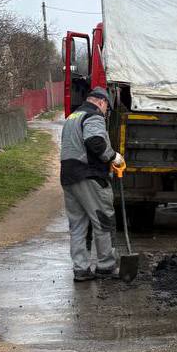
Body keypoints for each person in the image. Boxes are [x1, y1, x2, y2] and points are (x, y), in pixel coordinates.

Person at [60, 87, 125, 281]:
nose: (106, 113)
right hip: (89, 176)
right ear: (101, 102)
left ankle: (81, 269)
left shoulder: (73, 117)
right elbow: (95, 141)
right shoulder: (93, 116)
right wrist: (114, 156)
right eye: (107, 108)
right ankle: (106, 265)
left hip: (69, 177)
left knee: (78, 224)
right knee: (103, 219)